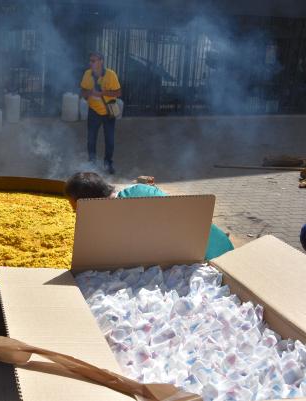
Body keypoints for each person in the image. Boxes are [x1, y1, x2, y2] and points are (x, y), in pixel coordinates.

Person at [64, 172, 234, 260]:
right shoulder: (140, 190)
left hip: (213, 263)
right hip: (224, 246)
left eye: (78, 210)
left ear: (90, 204)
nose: (78, 216)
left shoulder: (117, 224)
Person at [80, 52, 122, 175]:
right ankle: (92, 163)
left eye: (94, 61)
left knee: (109, 140)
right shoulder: (87, 74)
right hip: (93, 111)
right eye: (90, 61)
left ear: (101, 61)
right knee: (91, 139)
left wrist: (102, 93)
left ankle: (108, 163)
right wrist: (89, 92)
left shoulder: (111, 74)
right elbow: (82, 92)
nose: (91, 63)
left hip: (108, 112)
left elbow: (118, 93)